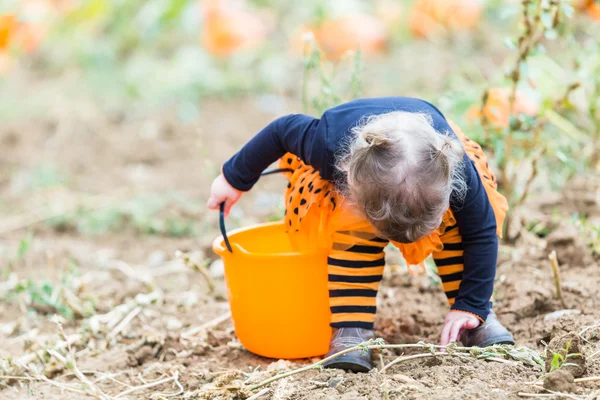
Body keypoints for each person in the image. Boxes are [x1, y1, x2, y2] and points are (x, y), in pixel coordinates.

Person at [207, 97, 514, 372]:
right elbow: (280, 130)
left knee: (457, 229)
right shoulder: (324, 145)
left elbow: (482, 233)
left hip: (430, 162)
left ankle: (478, 319)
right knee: (351, 230)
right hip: (354, 173)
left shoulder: (454, 168)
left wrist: (471, 304)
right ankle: (351, 329)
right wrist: (234, 178)